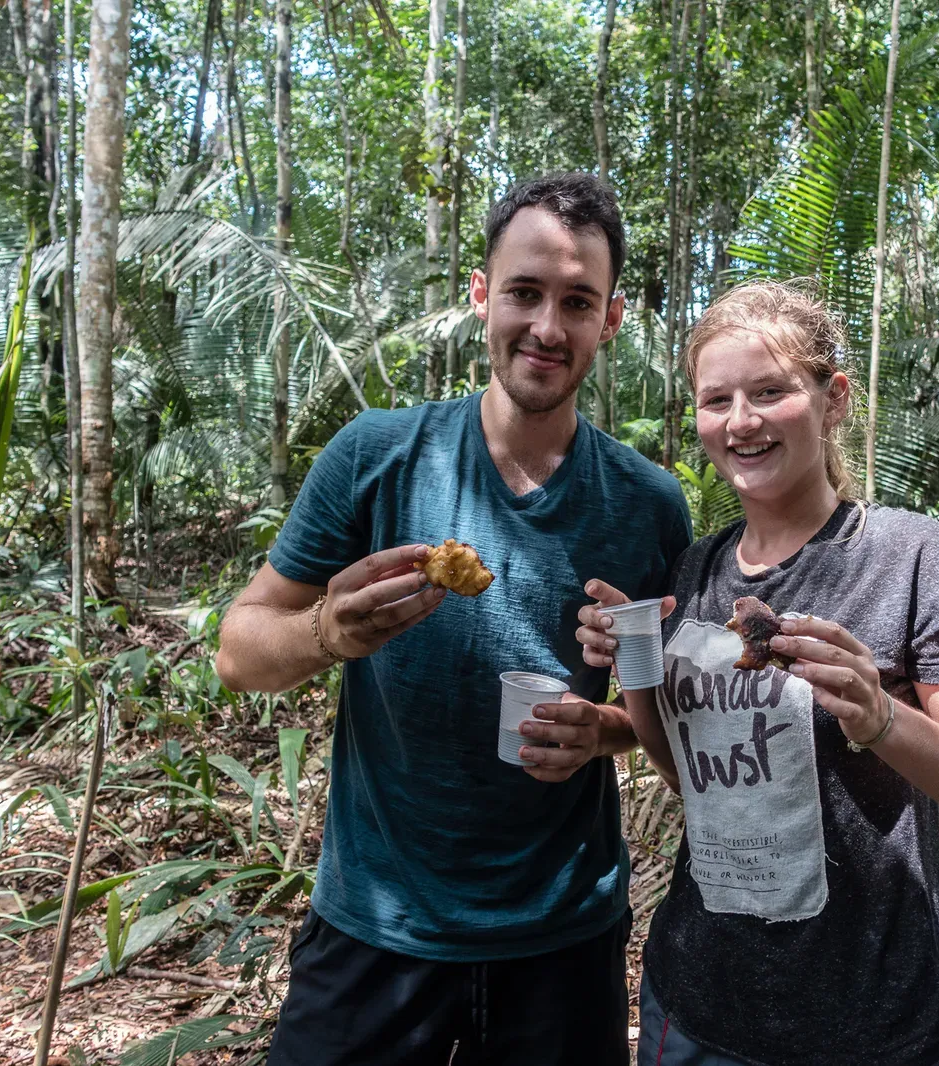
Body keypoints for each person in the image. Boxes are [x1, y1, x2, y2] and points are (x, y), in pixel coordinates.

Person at [216, 172, 692, 1065]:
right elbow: (239, 652)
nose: (547, 327)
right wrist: (328, 633)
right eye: (525, 293)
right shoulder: (377, 457)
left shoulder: (650, 506)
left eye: (577, 302)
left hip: (562, 936)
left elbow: (668, 715)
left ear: (611, 319)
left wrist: (605, 731)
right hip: (377, 924)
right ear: (482, 297)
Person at [576, 281, 939, 1066]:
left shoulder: (907, 555)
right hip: (701, 1004)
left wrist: (883, 718)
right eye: (717, 400)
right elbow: (694, 781)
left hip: (879, 1014)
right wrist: (637, 653)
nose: (741, 420)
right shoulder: (698, 567)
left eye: (770, 392)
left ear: (833, 399)